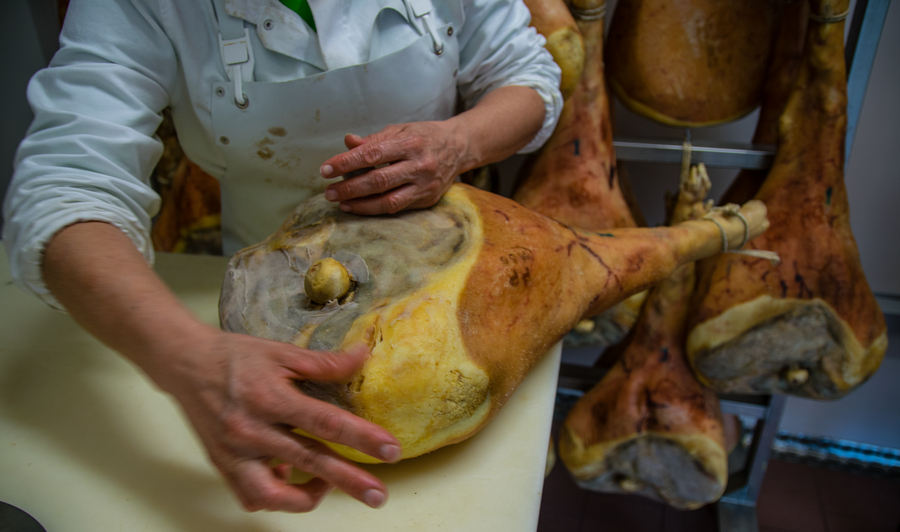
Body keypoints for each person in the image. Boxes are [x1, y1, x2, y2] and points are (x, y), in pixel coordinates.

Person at [2, 0, 562, 514]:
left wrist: (459, 142)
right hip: (260, 300)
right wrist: (186, 357)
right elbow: (63, 189)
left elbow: (528, 79)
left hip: (448, 264)